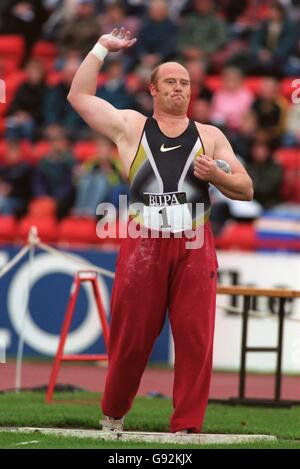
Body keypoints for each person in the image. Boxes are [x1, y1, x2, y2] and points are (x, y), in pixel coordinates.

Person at [67, 27, 253, 434]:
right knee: (132, 339)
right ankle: (113, 413)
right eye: (170, 81)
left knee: (194, 338)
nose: (179, 88)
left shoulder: (210, 136)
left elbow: (246, 188)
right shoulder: (131, 127)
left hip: (194, 243)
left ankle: (186, 427)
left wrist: (216, 178)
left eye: (185, 83)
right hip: (144, 242)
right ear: (153, 88)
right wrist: (100, 48)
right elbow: (78, 97)